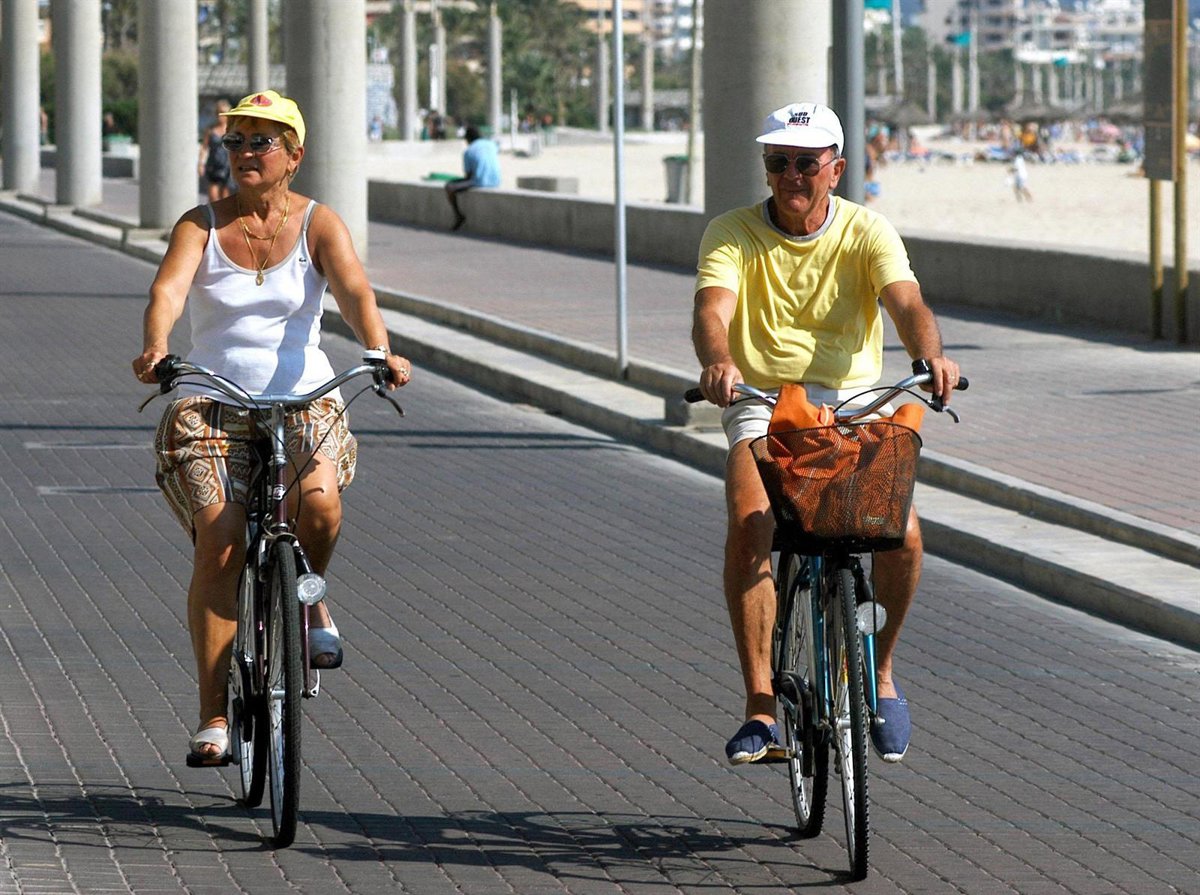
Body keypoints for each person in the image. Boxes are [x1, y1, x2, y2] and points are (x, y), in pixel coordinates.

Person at [131, 90, 412, 765]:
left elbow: (355, 290)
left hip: (303, 398)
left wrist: (379, 349)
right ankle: (214, 716)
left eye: (261, 141)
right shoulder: (199, 225)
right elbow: (168, 291)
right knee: (222, 541)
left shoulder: (319, 223)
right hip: (211, 401)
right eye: (235, 141)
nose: (244, 153)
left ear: (294, 155)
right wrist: (155, 346)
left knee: (320, 505)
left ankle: (307, 598)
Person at [691, 102, 960, 766]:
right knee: (750, 521)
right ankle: (761, 706)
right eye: (778, 162)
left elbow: (907, 302)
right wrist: (718, 362)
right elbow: (711, 309)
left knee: (903, 533)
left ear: (835, 170)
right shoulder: (732, 232)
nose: (791, 175)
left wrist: (930, 358)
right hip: (763, 398)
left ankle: (882, 675)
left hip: (855, 401)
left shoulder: (867, 231)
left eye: (806, 163)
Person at [444, 124, 501, 232]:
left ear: (468, 139)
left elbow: (468, 176)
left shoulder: (468, 151)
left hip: (480, 181)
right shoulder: (491, 144)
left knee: (449, 187)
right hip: (496, 180)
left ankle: (458, 216)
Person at [198, 99, 236, 202]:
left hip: (227, 163)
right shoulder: (210, 130)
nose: (220, 116)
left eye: (223, 113)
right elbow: (204, 147)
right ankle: (213, 210)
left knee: (225, 194)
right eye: (218, 113)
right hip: (214, 163)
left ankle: (225, 211)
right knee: (213, 194)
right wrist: (201, 164)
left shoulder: (232, 130)